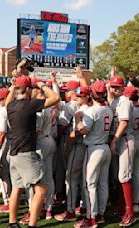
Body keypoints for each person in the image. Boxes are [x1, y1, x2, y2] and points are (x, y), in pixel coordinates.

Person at [5, 75, 60, 228]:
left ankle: (12, 223)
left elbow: (8, 100)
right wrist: (42, 85)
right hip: (25, 152)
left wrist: (13, 87)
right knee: (42, 189)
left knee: (17, 188)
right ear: (29, 89)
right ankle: (32, 225)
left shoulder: (11, 105)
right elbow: (55, 98)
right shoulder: (29, 104)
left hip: (13, 151)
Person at [74, 81, 113, 228]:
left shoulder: (92, 111)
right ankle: (100, 214)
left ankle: (91, 218)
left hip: (94, 149)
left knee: (89, 185)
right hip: (105, 147)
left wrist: (78, 119)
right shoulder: (108, 109)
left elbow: (84, 131)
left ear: (92, 94)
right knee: (102, 183)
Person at [54, 86, 91, 222]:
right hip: (90, 147)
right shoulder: (92, 108)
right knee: (84, 180)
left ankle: (70, 212)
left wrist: (67, 143)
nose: (77, 97)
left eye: (80, 96)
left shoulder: (82, 111)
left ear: (87, 97)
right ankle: (84, 207)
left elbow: (77, 132)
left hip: (80, 146)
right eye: (77, 95)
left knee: (70, 178)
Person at [107, 75, 137, 227]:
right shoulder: (115, 101)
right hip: (117, 140)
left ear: (123, 87)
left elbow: (124, 123)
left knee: (124, 177)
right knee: (118, 177)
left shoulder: (124, 101)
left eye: (117, 87)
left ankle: (130, 213)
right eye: (112, 86)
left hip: (124, 139)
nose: (114, 89)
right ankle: (120, 207)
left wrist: (114, 141)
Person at [123, 86, 139, 214]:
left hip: (128, 140)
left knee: (126, 175)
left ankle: (128, 204)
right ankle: (135, 202)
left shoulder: (127, 108)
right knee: (136, 174)